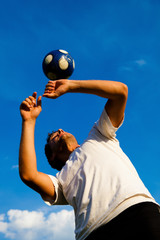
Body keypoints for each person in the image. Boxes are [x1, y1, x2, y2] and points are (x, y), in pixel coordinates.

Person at [19, 79, 160, 240]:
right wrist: (28, 121)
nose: (59, 130)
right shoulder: (60, 182)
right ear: (52, 156)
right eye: (54, 137)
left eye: (60, 130)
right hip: (92, 234)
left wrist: (71, 86)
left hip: (137, 212)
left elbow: (120, 92)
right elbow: (28, 175)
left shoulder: (99, 135)